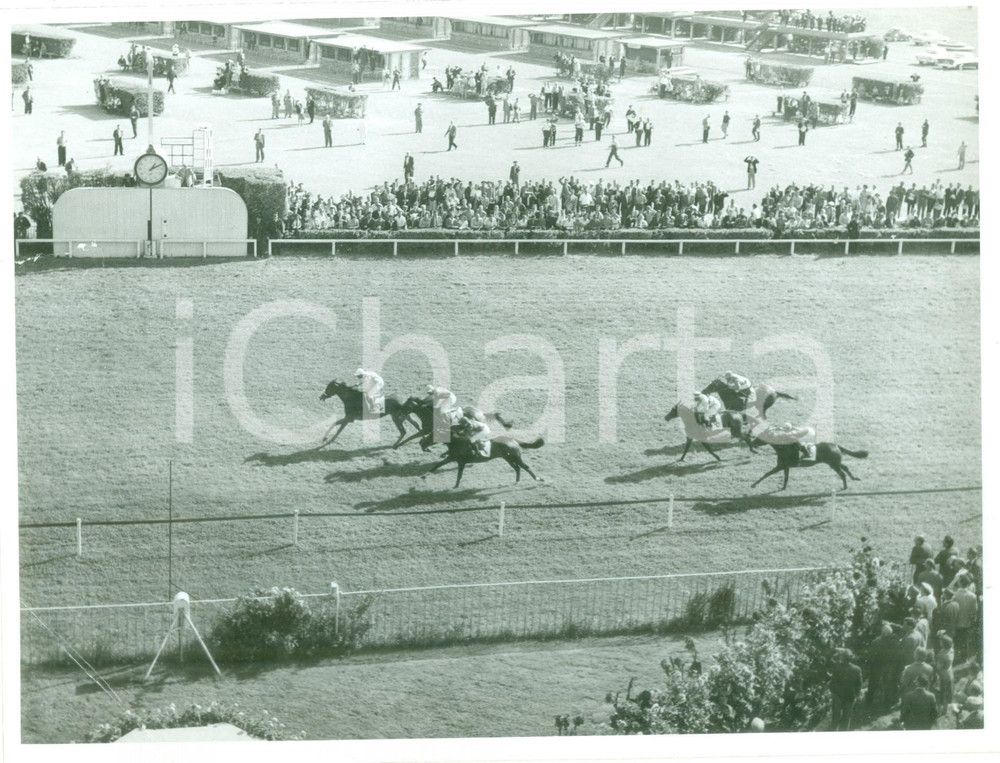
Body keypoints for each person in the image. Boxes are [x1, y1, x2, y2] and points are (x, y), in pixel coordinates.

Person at [829, 648, 862, 731]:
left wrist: (832, 691)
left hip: (837, 695)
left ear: (842, 658)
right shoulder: (857, 669)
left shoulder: (837, 666)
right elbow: (859, 684)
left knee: (835, 716)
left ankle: (833, 731)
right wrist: (856, 695)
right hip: (850, 695)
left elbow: (833, 681)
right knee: (846, 717)